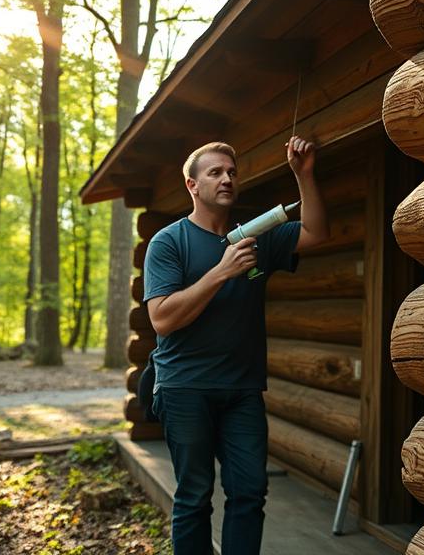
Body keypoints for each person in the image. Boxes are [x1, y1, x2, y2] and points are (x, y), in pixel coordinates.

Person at [143, 135, 329, 555]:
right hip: (185, 388)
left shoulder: (258, 236)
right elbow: (163, 319)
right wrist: (221, 273)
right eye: (215, 173)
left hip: (243, 390)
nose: (227, 179)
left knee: (249, 492)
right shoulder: (168, 242)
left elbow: (317, 233)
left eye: (231, 172)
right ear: (192, 185)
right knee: (194, 497)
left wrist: (304, 175)